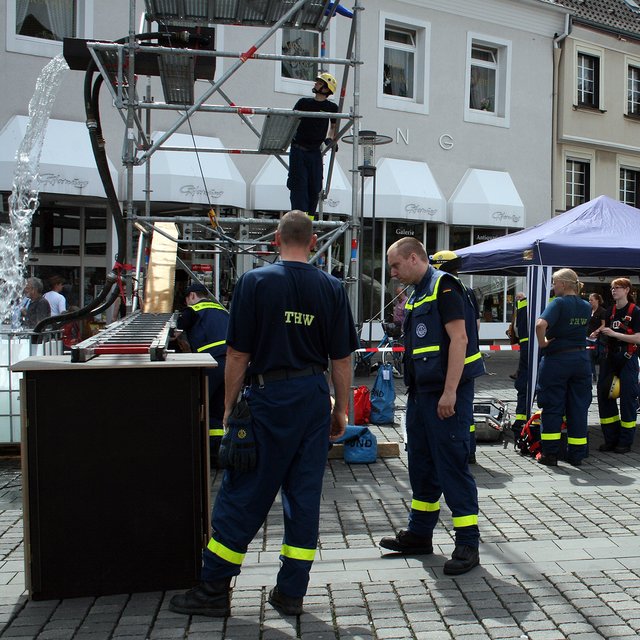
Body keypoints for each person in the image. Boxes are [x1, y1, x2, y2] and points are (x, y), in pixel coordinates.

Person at [170, 210, 358, 618]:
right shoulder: (331, 288)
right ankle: (291, 592)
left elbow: (238, 353)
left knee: (245, 490)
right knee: (303, 497)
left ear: (275, 240)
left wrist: (228, 407)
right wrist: (341, 409)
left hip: (269, 397)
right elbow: (342, 359)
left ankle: (214, 589)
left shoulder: (255, 282)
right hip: (313, 396)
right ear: (313, 242)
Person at [379, 238, 484, 575]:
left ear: (414, 258)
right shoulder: (417, 293)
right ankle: (420, 534)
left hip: (444, 394)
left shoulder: (444, 286)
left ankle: (467, 543)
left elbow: (460, 339)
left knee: (451, 466)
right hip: (421, 394)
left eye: (396, 265)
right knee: (421, 465)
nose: (393, 273)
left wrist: (450, 392)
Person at [429, 250, 481, 465]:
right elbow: (476, 325)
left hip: (454, 362)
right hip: (470, 361)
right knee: (465, 410)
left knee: (451, 410)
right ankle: (469, 452)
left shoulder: (444, 289)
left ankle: (458, 455)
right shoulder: (467, 290)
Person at [535, 268, 591, 466]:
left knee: (552, 406)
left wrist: (542, 343)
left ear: (564, 284)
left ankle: (550, 454)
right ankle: (577, 455)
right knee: (578, 407)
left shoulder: (558, 303)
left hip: (557, 360)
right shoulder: (586, 305)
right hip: (581, 359)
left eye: (555, 282)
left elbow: (540, 325)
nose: (553, 286)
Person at [176, 283, 229, 464]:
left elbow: (175, 332)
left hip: (210, 363)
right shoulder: (222, 310)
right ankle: (217, 454)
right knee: (217, 408)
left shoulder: (192, 311)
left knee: (199, 405)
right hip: (230, 363)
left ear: (192, 296)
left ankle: (197, 452)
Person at [592, 278, 640, 454]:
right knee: (604, 396)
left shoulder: (635, 312)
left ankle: (625, 442)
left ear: (627, 290)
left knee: (628, 399)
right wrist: (598, 332)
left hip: (628, 358)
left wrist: (615, 334)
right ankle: (611, 439)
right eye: (612, 288)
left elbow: (638, 338)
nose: (614, 291)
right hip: (610, 358)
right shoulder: (610, 312)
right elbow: (607, 331)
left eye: (618, 288)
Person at [287, 72, 339, 219]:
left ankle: (309, 221)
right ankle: (299, 220)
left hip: (315, 152)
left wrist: (330, 140)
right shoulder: (303, 103)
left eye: (320, 83)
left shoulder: (332, 107)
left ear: (326, 88)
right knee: (299, 185)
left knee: (315, 187)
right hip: (299, 150)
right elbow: (291, 123)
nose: (316, 84)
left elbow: (333, 127)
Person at [511, 293, 530, 437]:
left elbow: (516, 329)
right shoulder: (553, 301)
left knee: (523, 383)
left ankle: (520, 420)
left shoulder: (522, 304)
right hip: (547, 346)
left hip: (525, 346)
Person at [587, 293, 607, 383]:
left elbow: (604, 324)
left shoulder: (602, 311)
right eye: (589, 300)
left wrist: (596, 331)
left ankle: (601, 376)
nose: (589, 302)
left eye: (591, 300)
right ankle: (592, 375)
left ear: (597, 300)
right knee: (589, 355)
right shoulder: (589, 310)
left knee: (598, 356)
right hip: (588, 338)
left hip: (597, 339)